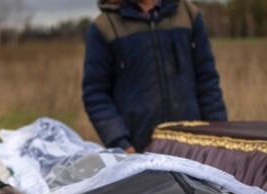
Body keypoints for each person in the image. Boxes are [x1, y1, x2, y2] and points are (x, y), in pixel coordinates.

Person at [82, 0, 227, 154]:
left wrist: (218, 135)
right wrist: (121, 143)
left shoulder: (188, 14)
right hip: (139, 152)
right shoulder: (105, 27)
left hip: (193, 146)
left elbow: (207, 80)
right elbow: (96, 94)